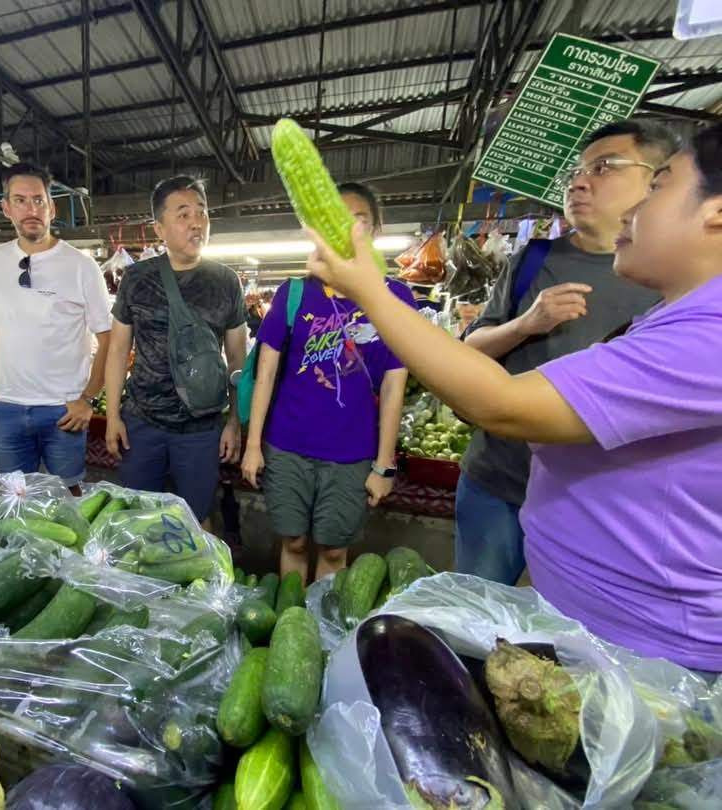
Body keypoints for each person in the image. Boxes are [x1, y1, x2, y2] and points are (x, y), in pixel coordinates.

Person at [301, 122, 722, 674]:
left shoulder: (709, 336)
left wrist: (371, 293)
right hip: (610, 634)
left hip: (653, 658)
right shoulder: (665, 312)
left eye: (660, 184)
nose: (636, 209)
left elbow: (502, 402)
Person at [456, 120, 679, 585]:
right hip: (499, 479)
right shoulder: (533, 260)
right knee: (473, 615)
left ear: (658, 182)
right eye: (576, 172)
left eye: (603, 168)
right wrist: (527, 323)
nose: (578, 182)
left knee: (568, 639)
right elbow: (471, 349)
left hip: (599, 499)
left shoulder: (674, 278)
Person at [241, 182, 412, 582]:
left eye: (359, 221)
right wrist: (253, 447)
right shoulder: (295, 292)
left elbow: (393, 386)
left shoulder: (395, 297)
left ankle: (322, 632)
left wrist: (384, 465)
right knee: (294, 543)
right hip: (287, 447)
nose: (348, 231)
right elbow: (265, 372)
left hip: (351, 452)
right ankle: (293, 624)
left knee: (335, 550)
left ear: (376, 230)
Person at [104, 176, 248, 525]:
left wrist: (234, 422)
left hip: (201, 429)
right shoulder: (137, 279)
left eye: (202, 213)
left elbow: (238, 360)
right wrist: (112, 416)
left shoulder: (225, 281)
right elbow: (118, 351)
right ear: (160, 227)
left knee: (196, 522)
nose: (197, 222)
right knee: (138, 519)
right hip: (142, 424)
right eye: (183, 214)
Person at [0, 163, 112, 495]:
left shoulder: (81, 266)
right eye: (20, 200)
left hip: (63, 410)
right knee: (15, 498)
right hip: (5, 408)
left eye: (38, 200)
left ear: (52, 208)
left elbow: (108, 338)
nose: (30, 209)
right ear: (6, 208)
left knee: (70, 496)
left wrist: (88, 398)